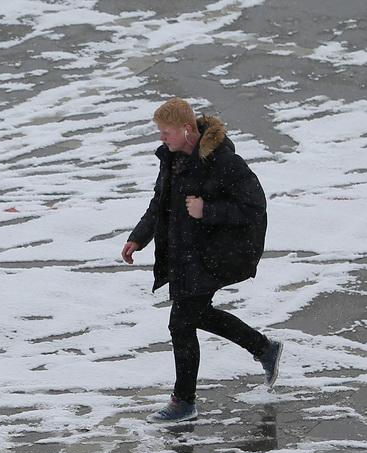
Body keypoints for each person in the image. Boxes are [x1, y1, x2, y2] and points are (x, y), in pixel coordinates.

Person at [121, 97, 282, 423]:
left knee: (181, 324)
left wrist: (206, 211)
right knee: (196, 315)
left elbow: (254, 208)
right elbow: (159, 204)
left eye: (166, 132)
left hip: (215, 255)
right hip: (185, 254)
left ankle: (184, 402)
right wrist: (138, 237)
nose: (161, 138)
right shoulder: (171, 159)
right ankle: (263, 348)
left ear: (186, 129)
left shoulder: (223, 162)